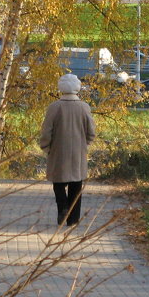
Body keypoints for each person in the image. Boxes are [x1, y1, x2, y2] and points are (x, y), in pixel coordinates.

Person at [39, 73, 96, 226]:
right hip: (78, 151)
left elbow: (46, 131)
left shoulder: (54, 107)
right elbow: (91, 131)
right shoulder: (84, 107)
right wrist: (85, 144)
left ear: (61, 87)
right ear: (77, 87)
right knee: (76, 184)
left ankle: (63, 208)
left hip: (58, 151)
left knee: (58, 182)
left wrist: (46, 146)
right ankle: (73, 219)